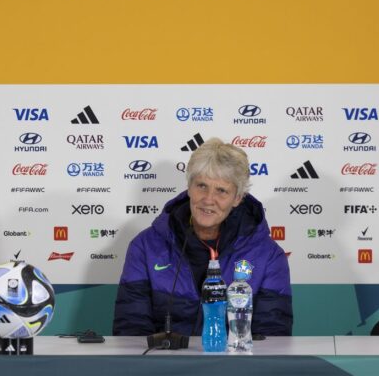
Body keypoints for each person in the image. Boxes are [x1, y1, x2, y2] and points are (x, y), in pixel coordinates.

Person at [113, 138, 293, 336]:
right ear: (189, 187)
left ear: (238, 198)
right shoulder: (145, 247)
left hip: (237, 365)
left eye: (221, 191)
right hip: (163, 364)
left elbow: (273, 337)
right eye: (201, 186)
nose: (208, 199)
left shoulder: (269, 255)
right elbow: (130, 330)